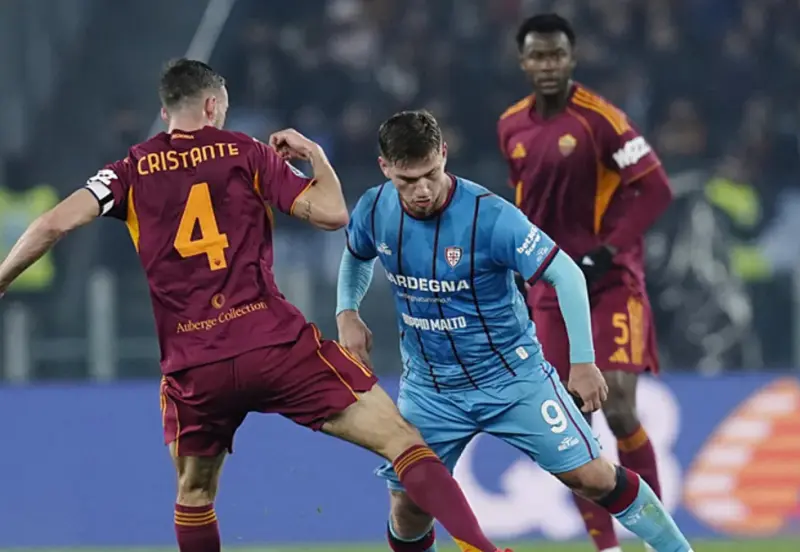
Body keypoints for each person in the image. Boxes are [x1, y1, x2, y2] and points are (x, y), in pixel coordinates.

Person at [0, 59, 507, 552]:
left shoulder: (128, 170)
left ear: (165, 111)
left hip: (195, 365)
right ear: (212, 105)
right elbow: (333, 214)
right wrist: (314, 155)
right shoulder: (244, 152)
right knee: (403, 442)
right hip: (272, 342)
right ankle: (482, 550)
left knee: (194, 495)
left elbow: (52, 224)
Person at [337, 110, 692, 552]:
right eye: (408, 180)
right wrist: (346, 311)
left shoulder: (490, 216)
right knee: (409, 509)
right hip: (431, 390)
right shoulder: (374, 209)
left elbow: (566, 274)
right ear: (385, 167)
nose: (423, 190)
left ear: (444, 155)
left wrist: (583, 362)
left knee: (591, 477)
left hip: (512, 380)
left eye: (430, 174)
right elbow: (356, 256)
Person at [497, 14, 674, 552]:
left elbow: (656, 189)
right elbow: (526, 202)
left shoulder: (602, 120)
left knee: (618, 408)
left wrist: (609, 249)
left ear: (571, 59)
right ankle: (607, 548)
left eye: (557, 55)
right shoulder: (510, 126)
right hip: (551, 289)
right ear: (523, 62)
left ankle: (657, 542)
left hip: (611, 281)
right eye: (538, 56)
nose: (548, 65)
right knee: (572, 430)